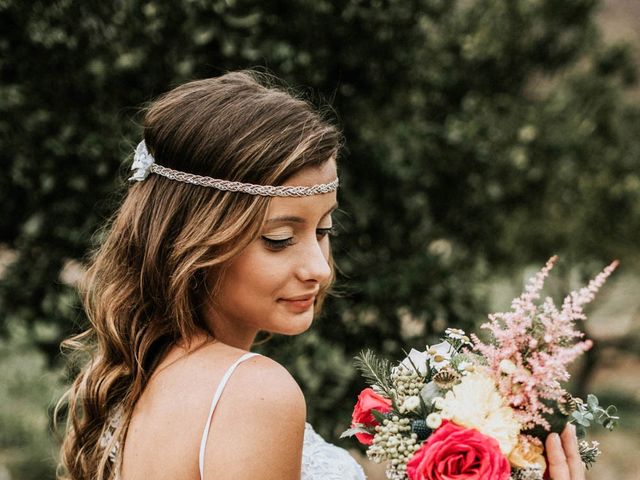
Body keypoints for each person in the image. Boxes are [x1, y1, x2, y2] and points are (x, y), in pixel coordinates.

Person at [56, 70, 585, 480]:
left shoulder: (144, 377)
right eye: (279, 239)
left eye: (324, 231)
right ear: (195, 239)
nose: (317, 267)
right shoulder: (252, 390)